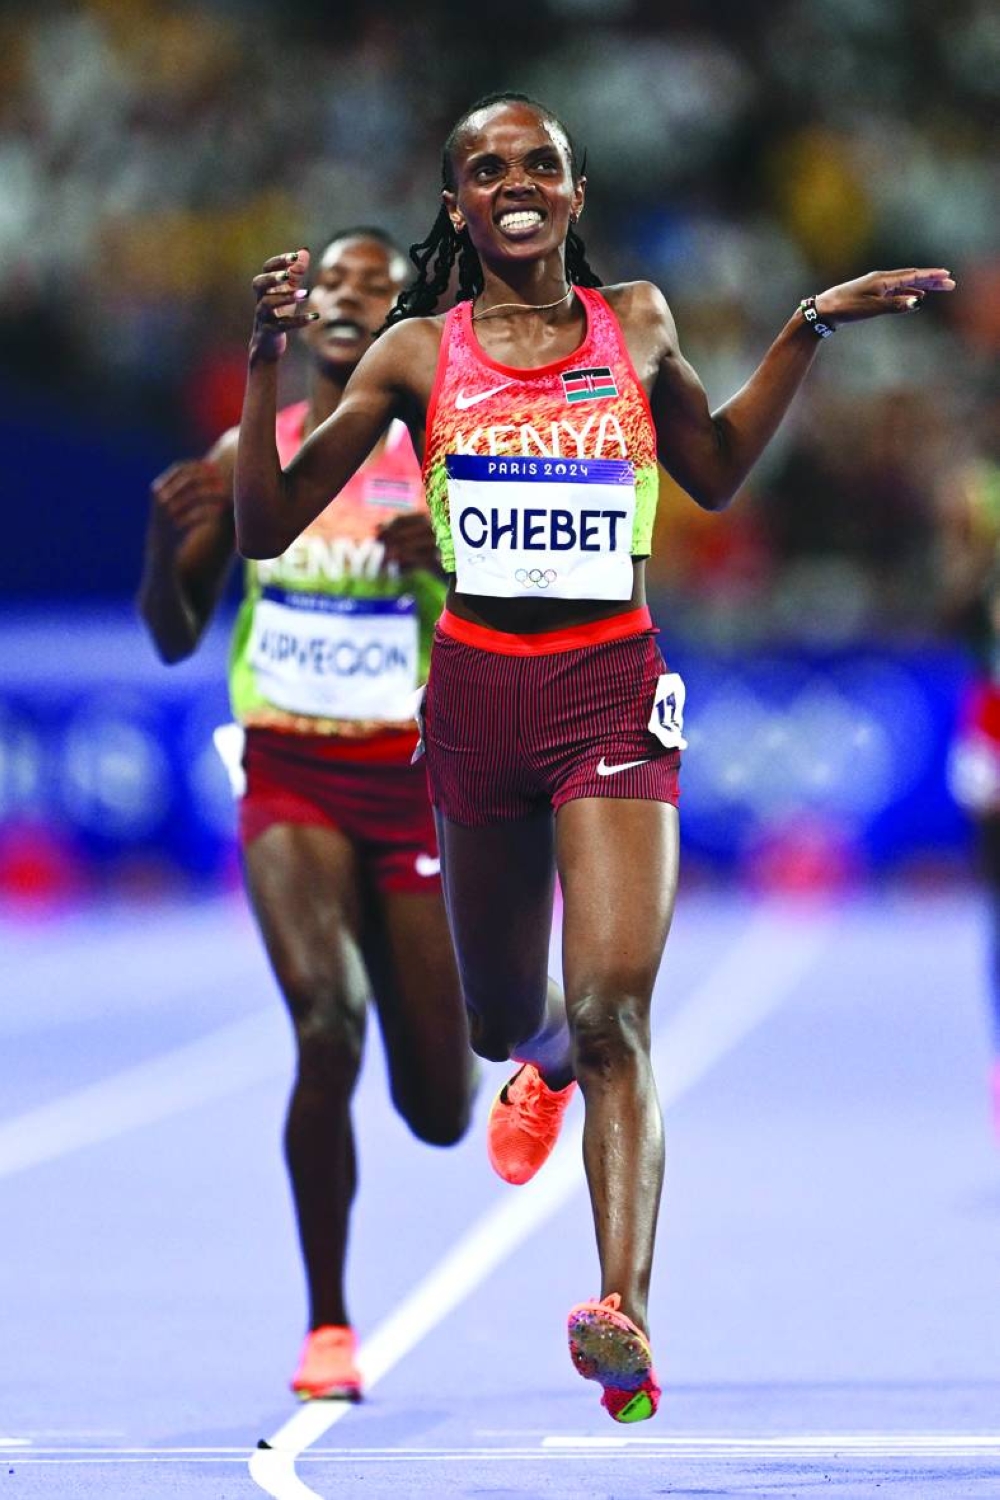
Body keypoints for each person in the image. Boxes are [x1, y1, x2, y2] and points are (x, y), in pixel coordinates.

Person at [233, 92, 954, 1423]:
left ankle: (623, 1309)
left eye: (540, 166)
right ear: (457, 205)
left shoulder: (639, 321)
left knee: (622, 1011)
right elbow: (271, 526)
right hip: (472, 706)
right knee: (511, 1017)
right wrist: (266, 358)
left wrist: (805, 328)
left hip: (610, 691)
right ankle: (540, 1059)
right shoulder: (411, 353)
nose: (516, 183)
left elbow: (720, 472)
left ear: (574, 193)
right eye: (488, 169)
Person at [138, 227, 476, 1403]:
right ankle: (328, 1326)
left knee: (439, 1111)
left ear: (400, 320)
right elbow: (177, 636)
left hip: (412, 782)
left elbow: (511, 616)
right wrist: (164, 547)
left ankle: (516, 1038)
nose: (347, 299)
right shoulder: (255, 448)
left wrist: (442, 558)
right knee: (325, 1021)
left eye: (375, 289)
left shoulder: (440, 455)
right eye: (332, 282)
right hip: (287, 772)